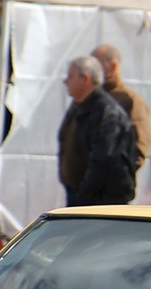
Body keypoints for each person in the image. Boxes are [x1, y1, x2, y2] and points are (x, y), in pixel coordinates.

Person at [58, 55, 136, 207]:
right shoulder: (78, 107)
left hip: (100, 200)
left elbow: (105, 159)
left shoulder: (107, 112)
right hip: (79, 195)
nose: (65, 81)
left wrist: (86, 194)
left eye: (70, 76)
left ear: (85, 79)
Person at [91, 44, 151, 170]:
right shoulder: (91, 98)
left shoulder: (130, 100)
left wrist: (117, 177)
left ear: (113, 67)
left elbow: (139, 146)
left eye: (96, 66)